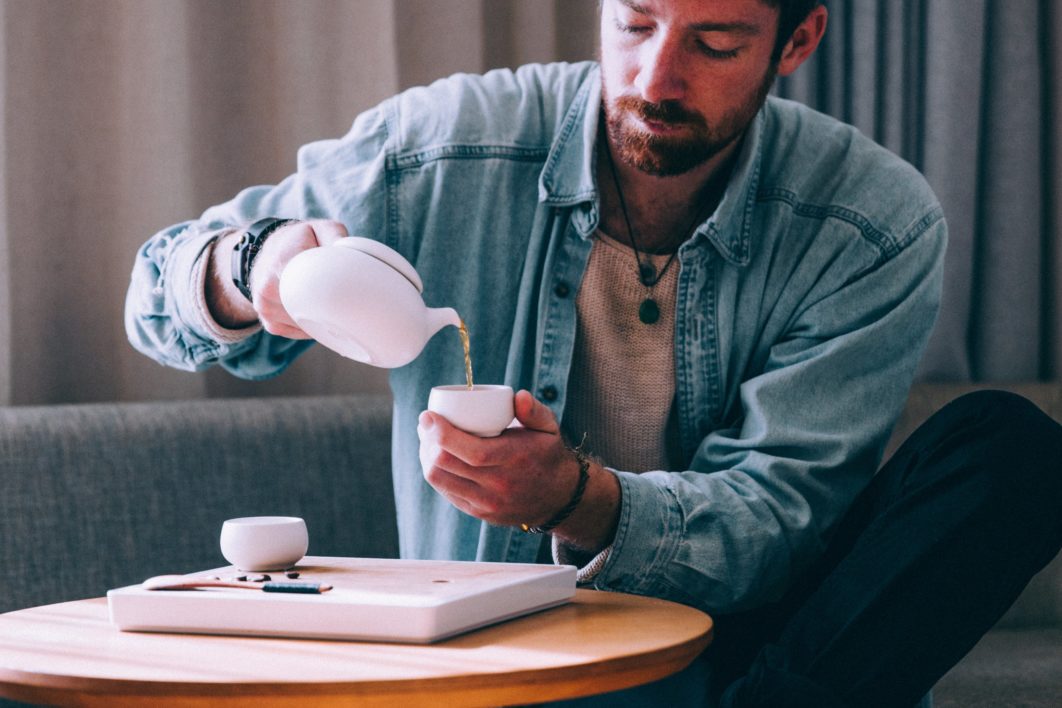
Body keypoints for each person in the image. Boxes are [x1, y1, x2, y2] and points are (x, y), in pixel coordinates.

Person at [126, 1, 1062, 705]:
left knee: (1008, 450)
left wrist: (579, 500)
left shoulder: (868, 221)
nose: (657, 77)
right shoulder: (446, 149)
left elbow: (779, 519)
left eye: (717, 42)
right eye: (636, 20)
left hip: (763, 657)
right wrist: (252, 268)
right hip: (505, 646)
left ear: (799, 40)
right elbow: (157, 290)